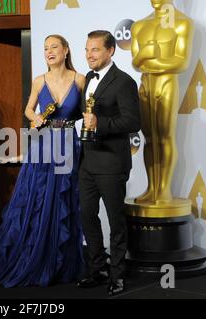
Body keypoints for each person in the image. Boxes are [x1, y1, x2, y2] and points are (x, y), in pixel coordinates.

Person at [0, 34, 86, 287]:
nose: (49, 52)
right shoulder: (39, 81)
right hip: (43, 145)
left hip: (68, 144)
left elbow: (86, 111)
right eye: (45, 48)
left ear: (66, 50)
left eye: (54, 47)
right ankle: (35, 257)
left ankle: (62, 262)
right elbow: (27, 110)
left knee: (64, 201)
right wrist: (34, 117)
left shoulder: (79, 79)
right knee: (38, 201)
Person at [76, 30, 141, 295]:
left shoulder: (123, 82)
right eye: (87, 49)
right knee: (87, 217)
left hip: (112, 163)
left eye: (95, 50)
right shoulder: (88, 78)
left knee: (115, 221)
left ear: (110, 51)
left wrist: (99, 123)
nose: (89, 55)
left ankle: (118, 276)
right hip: (88, 163)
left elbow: (133, 122)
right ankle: (97, 269)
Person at [131, 0, 194, 204]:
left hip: (167, 83)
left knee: (165, 136)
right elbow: (135, 63)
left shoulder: (183, 23)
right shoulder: (139, 25)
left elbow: (181, 61)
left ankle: (164, 189)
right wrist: (144, 55)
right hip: (145, 85)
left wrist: (149, 59)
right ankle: (151, 188)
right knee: (149, 137)